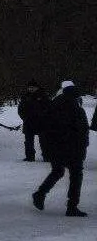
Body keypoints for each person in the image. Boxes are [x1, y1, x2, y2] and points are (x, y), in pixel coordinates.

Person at [32, 80, 88, 217]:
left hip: (55, 147)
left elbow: (45, 127)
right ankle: (72, 206)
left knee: (58, 171)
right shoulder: (75, 108)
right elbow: (79, 130)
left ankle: (40, 194)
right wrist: (81, 146)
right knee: (75, 175)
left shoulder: (55, 104)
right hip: (70, 148)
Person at [17, 80, 49, 161]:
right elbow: (20, 109)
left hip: (41, 122)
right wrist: (24, 117)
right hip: (28, 122)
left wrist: (43, 117)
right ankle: (30, 157)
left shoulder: (43, 96)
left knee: (44, 141)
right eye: (29, 87)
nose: (31, 89)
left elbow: (48, 108)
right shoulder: (25, 96)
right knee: (28, 142)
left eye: (33, 87)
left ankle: (47, 156)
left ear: (37, 88)